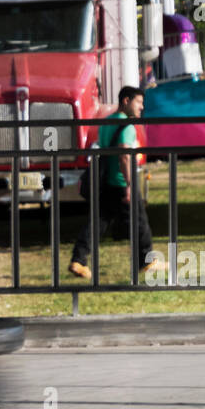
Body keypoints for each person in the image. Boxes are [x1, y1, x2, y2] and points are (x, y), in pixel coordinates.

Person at [69, 86, 164, 279]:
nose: (141, 107)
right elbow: (124, 157)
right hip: (121, 182)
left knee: (98, 222)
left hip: (106, 182)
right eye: (138, 102)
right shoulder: (127, 127)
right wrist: (129, 185)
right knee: (140, 222)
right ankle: (147, 261)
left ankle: (79, 260)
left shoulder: (106, 122)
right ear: (126, 101)